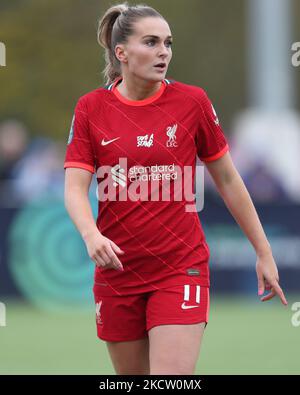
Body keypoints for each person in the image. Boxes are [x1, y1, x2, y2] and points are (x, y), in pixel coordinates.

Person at [63, 3, 288, 375]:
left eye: (167, 43)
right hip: (117, 272)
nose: (163, 51)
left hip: (179, 267)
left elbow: (229, 180)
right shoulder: (91, 108)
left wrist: (263, 251)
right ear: (121, 53)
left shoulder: (192, 102)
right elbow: (73, 188)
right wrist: (91, 235)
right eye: (151, 42)